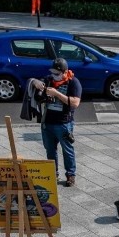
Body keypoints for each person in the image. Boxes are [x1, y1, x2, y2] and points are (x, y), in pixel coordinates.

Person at [32, 58, 81, 187]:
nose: (55, 76)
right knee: (50, 150)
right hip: (48, 122)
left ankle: (71, 175)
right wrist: (35, 82)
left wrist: (56, 93)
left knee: (67, 150)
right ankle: (53, 173)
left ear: (65, 72)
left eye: (57, 73)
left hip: (64, 123)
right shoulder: (49, 80)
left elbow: (75, 103)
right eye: (53, 72)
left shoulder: (73, 82)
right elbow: (38, 82)